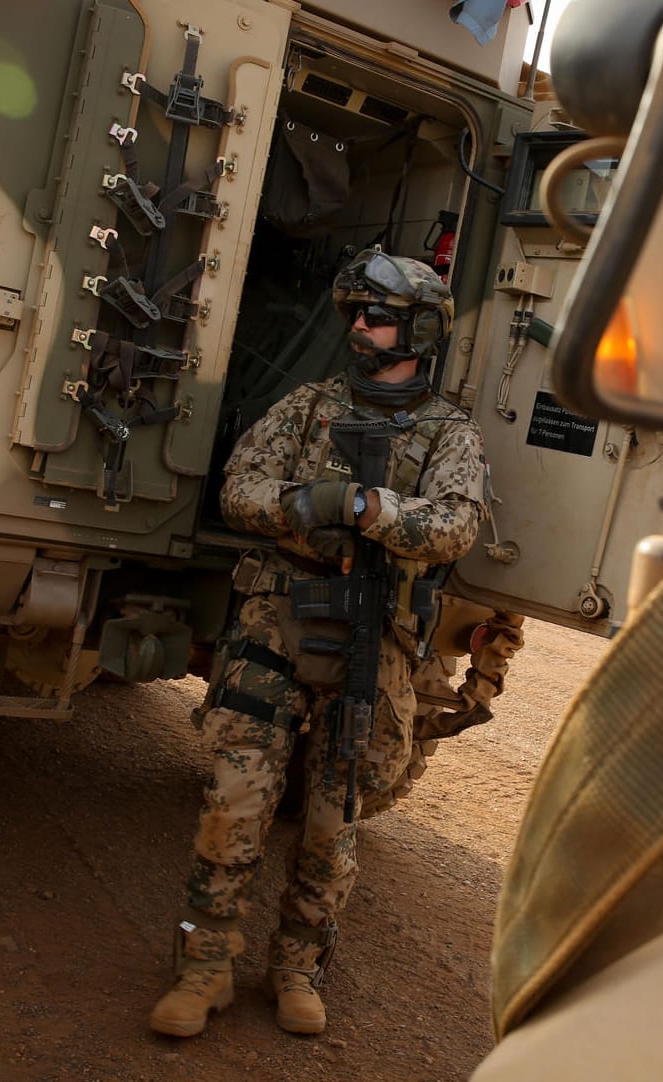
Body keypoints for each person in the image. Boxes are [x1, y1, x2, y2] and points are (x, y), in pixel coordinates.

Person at [151, 249, 487, 1038]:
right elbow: (240, 490)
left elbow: (455, 525)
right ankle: (203, 970)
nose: (361, 329)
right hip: (280, 617)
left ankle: (298, 967)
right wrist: (309, 505)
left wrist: (370, 509)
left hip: (374, 631)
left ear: (418, 331)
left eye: (376, 316)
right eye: (358, 315)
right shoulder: (307, 407)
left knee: (335, 818)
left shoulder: (448, 433)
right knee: (234, 801)